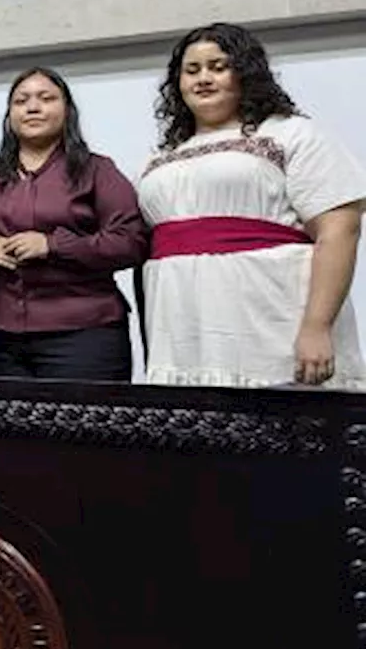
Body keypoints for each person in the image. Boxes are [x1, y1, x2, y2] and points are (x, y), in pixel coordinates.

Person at [139, 22, 366, 388]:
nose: (203, 79)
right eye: (192, 70)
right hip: (184, 330)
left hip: (271, 325)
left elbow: (340, 230)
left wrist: (317, 327)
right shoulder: (162, 157)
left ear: (245, 73)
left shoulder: (290, 133)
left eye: (218, 66)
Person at [0, 68, 147, 381]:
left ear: (67, 111)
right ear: (10, 115)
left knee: (87, 428)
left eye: (46, 98)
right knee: (6, 430)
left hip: (85, 333)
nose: (33, 107)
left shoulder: (97, 170)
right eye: (21, 100)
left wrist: (53, 245)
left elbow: (130, 241)